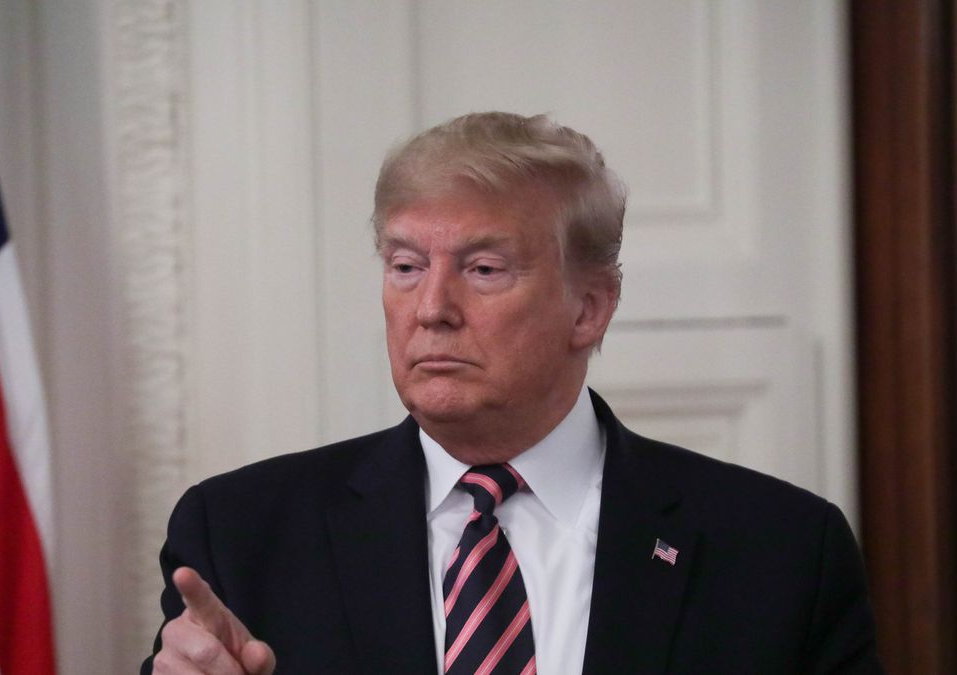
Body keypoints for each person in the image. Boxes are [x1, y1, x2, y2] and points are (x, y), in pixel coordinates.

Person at [141, 112, 881, 674]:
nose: (432, 307)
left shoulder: (783, 552)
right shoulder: (240, 533)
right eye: (405, 266)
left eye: (484, 268)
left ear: (589, 307)